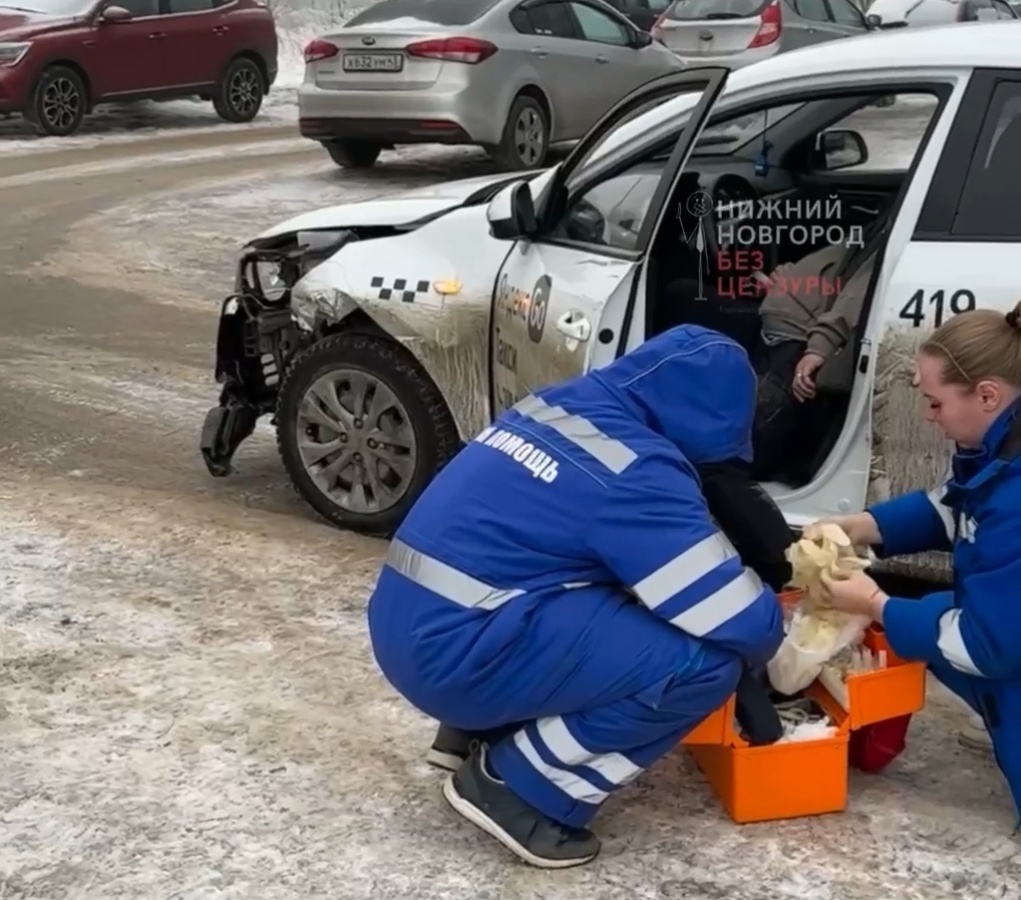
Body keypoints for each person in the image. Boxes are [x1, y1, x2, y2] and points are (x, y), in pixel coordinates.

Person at [367, 324, 785, 869]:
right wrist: (777, 637)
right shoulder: (634, 470)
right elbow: (734, 614)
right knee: (699, 665)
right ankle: (517, 789)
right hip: (458, 657)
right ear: (715, 418)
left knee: (596, 584)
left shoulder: (563, 406)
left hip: (409, 623)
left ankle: (476, 731)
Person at [811, 302, 1021, 827]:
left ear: (987, 394)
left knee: (955, 635)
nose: (930, 417)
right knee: (937, 614)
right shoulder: (999, 449)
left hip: (1001, 646)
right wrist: (859, 526)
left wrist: (876, 603)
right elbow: (952, 509)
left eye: (935, 403)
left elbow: (984, 645)